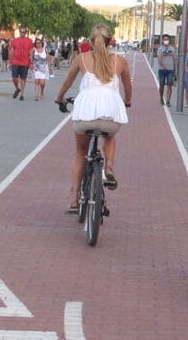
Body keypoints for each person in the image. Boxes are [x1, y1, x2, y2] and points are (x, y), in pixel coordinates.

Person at [55, 23, 132, 213]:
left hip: (85, 116)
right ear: (110, 41)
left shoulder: (81, 59)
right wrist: (127, 102)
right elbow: (128, 86)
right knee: (110, 136)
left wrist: (59, 98)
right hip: (110, 117)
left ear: (90, 41)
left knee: (81, 153)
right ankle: (109, 168)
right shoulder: (120, 61)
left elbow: (67, 81)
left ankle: (74, 198)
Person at [8, 28, 34, 100]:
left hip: (25, 62)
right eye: (21, 32)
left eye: (23, 32)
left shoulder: (29, 41)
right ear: (19, 32)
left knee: (23, 78)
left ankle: (21, 95)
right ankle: (17, 89)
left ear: (25, 33)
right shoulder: (15, 41)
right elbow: (11, 51)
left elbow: (31, 52)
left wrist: (31, 61)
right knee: (14, 78)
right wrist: (10, 62)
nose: (22, 33)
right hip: (15, 61)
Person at [156, 35, 177, 106]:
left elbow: (175, 59)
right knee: (161, 85)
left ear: (169, 40)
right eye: (165, 39)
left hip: (170, 70)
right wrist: (163, 65)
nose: (166, 41)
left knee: (169, 85)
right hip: (162, 70)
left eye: (167, 39)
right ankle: (161, 97)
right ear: (162, 40)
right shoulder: (160, 49)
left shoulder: (172, 49)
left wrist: (175, 70)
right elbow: (159, 58)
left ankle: (168, 101)